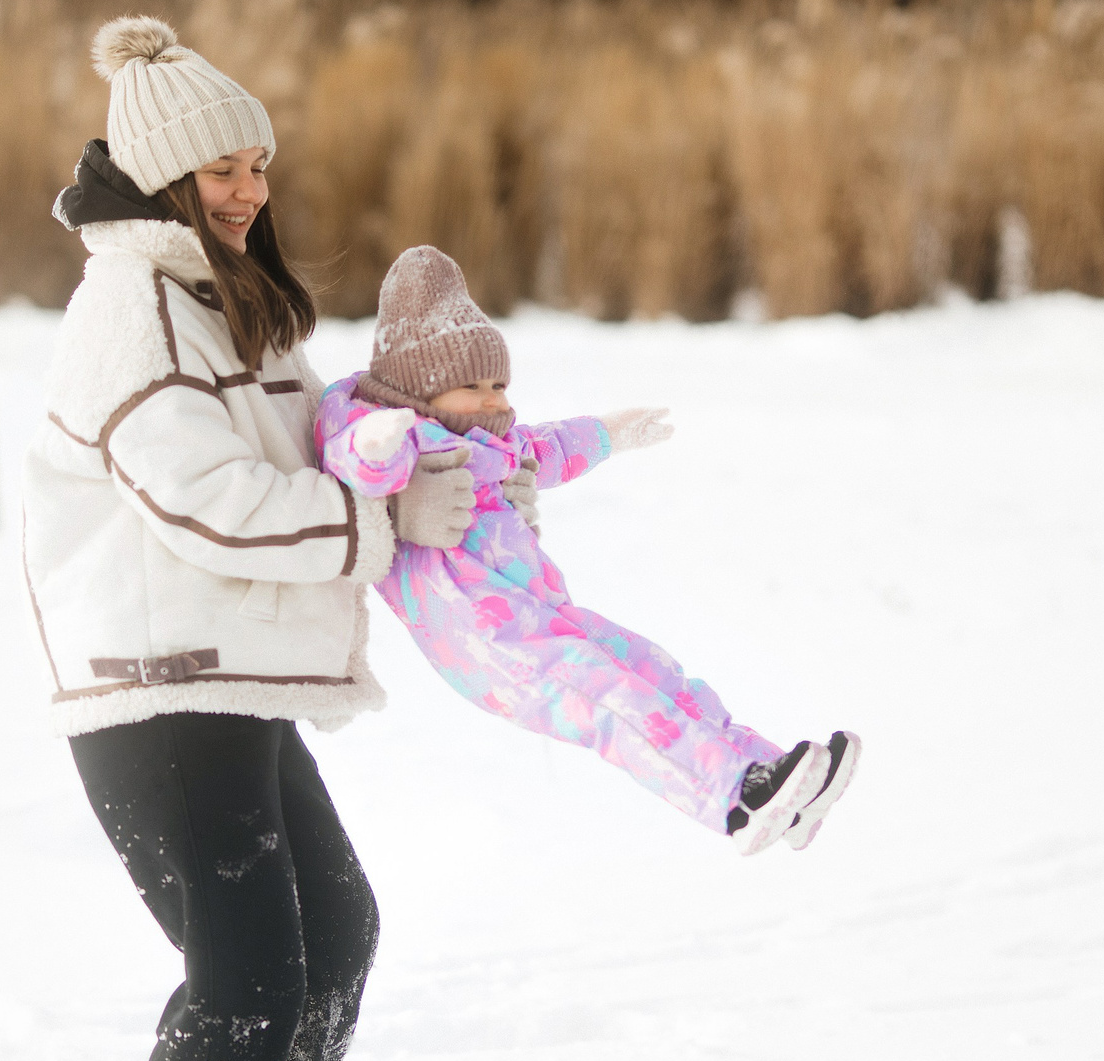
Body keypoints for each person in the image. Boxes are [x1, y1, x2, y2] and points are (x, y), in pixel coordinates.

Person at [22, 17, 484, 1061]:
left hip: (227, 672)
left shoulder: (225, 297)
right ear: (167, 174)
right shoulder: (132, 311)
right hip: (152, 683)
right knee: (246, 966)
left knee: (334, 935)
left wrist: (416, 459)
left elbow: (310, 448)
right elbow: (204, 496)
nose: (251, 191)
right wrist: (376, 526)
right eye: (225, 169)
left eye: (259, 164)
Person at [317, 245, 860, 854]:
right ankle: (736, 801)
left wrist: (607, 434)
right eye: (474, 385)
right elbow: (356, 467)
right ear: (421, 388)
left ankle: (773, 778)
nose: (495, 400)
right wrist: (378, 443)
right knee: (617, 703)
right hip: (489, 645)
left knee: (654, 671)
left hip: (545, 617)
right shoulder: (394, 432)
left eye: (500, 383)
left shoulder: (491, 441)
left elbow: (547, 446)